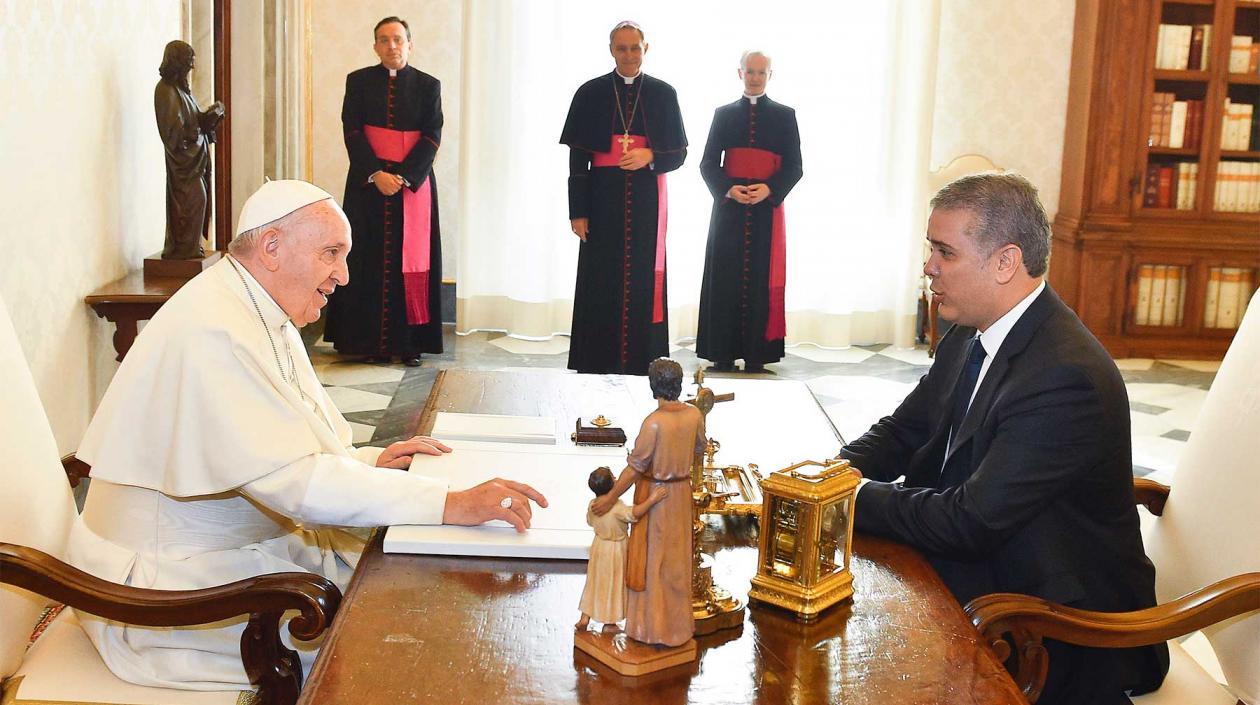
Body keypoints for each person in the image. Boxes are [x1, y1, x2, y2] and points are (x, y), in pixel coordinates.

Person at [68, 180, 546, 691]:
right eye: (331, 253)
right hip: (172, 599)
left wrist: (369, 460)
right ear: (271, 248)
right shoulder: (214, 329)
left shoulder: (253, 306)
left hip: (240, 558)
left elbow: (295, 446)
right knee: (392, 643)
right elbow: (294, 481)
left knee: (419, 591)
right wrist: (450, 502)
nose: (342, 275)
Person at [838, 174, 1167, 705]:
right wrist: (825, 474)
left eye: (944, 251)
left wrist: (846, 498)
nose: (929, 266)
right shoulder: (970, 327)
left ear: (1005, 262)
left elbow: (969, 522)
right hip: (988, 566)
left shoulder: (1064, 375)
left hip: (1056, 623)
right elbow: (904, 431)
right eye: (931, 249)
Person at [559, 21, 688, 375]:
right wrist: (578, 211)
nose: (629, 55)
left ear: (646, 48)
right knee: (600, 279)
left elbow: (678, 155)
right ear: (611, 49)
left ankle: (643, 361)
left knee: (644, 280)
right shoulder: (590, 92)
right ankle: (596, 359)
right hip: (601, 201)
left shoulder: (664, 93)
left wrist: (651, 156)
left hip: (647, 202)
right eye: (621, 48)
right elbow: (577, 159)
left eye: (635, 48)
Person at [324, 16, 443, 367]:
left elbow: (432, 135)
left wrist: (404, 177)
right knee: (367, 257)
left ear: (410, 43)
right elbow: (352, 131)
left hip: (412, 186)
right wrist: (376, 173)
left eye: (397, 39)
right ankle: (369, 341)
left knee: (411, 260)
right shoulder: (358, 82)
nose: (391, 45)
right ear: (375, 46)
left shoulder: (428, 85)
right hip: (368, 184)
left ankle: (410, 344)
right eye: (384, 40)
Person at [696, 50, 802, 373]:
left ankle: (758, 353)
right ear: (739, 73)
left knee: (759, 277)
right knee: (723, 278)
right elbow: (708, 163)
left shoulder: (785, 116)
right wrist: (728, 188)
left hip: (765, 212)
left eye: (761, 72)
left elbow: (795, 167)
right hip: (729, 210)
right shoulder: (723, 114)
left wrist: (769, 189)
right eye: (750, 71)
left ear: (771, 75)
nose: (755, 77)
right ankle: (722, 352)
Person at [591, 358, 704, 647]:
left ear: (654, 386)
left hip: (655, 497)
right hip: (681, 494)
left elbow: (634, 468)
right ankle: (677, 629)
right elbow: (700, 449)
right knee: (677, 563)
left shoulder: (654, 423)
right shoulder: (694, 415)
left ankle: (650, 629)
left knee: (652, 562)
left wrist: (610, 498)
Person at [154, 39, 223, 260]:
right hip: (184, 166)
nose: (189, 70)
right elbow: (173, 134)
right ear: (177, 63)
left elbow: (193, 120)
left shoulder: (182, 90)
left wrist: (210, 116)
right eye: (187, 65)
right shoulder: (165, 91)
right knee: (193, 201)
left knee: (199, 201)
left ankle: (189, 247)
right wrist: (200, 125)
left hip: (196, 162)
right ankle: (183, 249)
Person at [575, 467, 667, 632]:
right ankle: (609, 623)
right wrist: (652, 499)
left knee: (594, 582)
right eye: (614, 478)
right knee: (613, 584)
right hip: (615, 549)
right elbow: (634, 513)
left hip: (598, 546)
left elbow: (590, 521)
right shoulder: (616, 507)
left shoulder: (593, 504)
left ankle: (585, 617)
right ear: (612, 485)